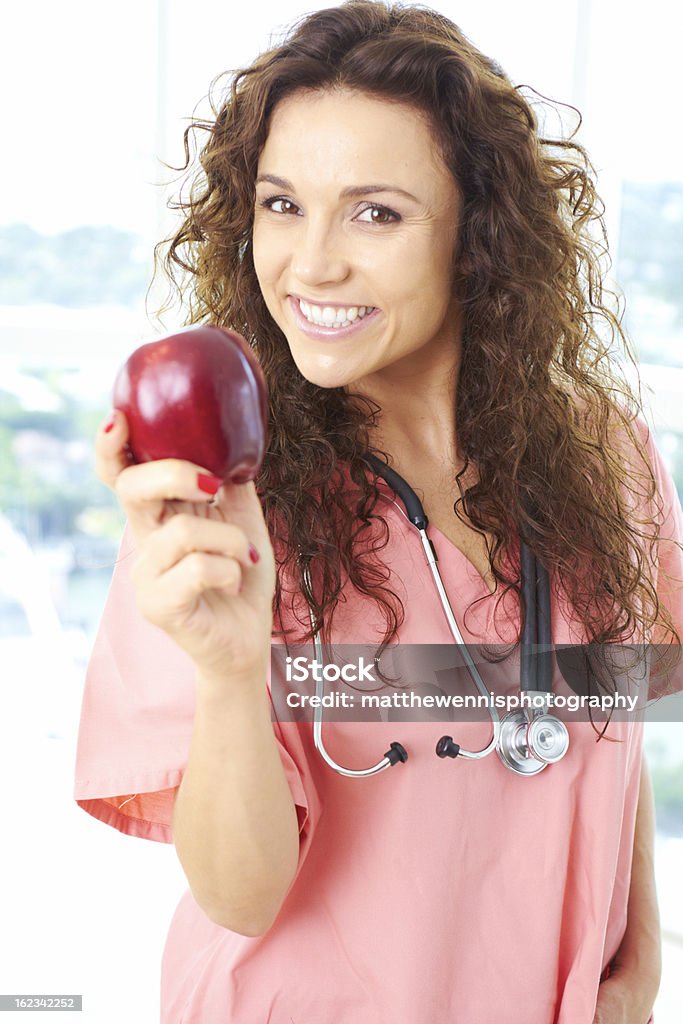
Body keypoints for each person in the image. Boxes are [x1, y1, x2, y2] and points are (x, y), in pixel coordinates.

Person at [73, 2, 683, 1021]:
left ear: (476, 235)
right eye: (280, 204)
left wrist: (638, 950)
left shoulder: (597, 449)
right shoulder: (216, 503)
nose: (309, 264)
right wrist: (229, 671)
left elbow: (601, 720)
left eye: (375, 212)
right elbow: (240, 893)